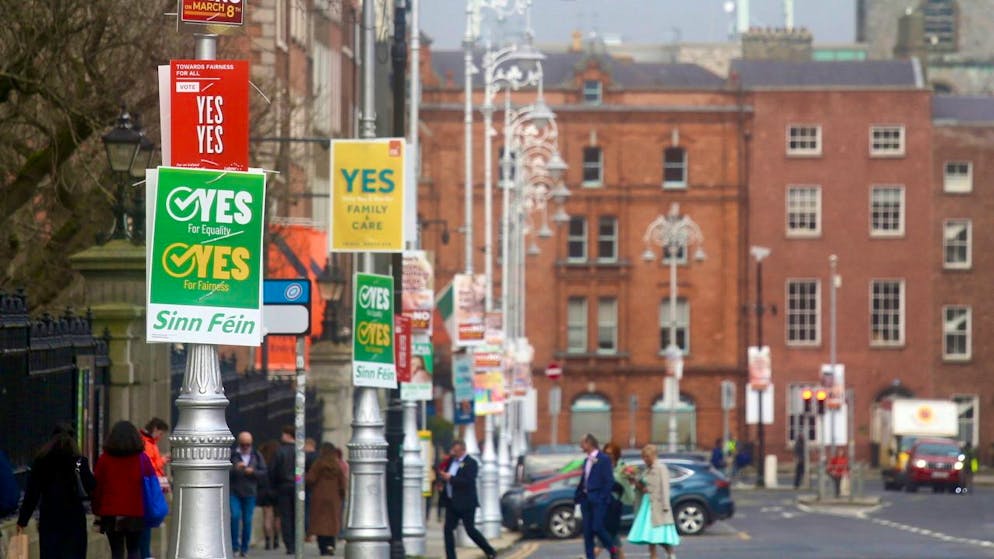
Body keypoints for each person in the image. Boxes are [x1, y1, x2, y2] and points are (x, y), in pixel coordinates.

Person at [15, 423, 97, 559]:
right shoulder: (78, 461)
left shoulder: (41, 461)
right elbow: (91, 487)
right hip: (74, 518)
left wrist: (22, 520)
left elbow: (32, 494)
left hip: (50, 518)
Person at [92, 421, 147, 559]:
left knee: (116, 551)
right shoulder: (142, 459)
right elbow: (150, 484)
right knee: (134, 549)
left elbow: (97, 487)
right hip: (135, 511)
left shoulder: (104, 459)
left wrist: (96, 511)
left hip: (111, 512)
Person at [439, 440, 496, 559]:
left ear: (463, 450)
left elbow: (468, 481)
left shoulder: (471, 463)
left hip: (466, 503)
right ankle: (451, 556)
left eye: (456, 451)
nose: (454, 453)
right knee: (448, 529)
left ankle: (489, 550)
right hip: (452, 502)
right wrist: (443, 479)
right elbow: (444, 472)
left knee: (470, 530)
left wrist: (451, 478)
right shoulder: (451, 461)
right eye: (453, 451)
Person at [627, 444, 680, 559]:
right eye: (643, 457)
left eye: (647, 456)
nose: (645, 459)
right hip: (647, 503)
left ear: (654, 455)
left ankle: (670, 552)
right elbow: (643, 487)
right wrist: (634, 481)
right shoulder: (647, 469)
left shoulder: (661, 468)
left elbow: (665, 487)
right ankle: (654, 555)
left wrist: (665, 506)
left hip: (657, 505)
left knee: (657, 534)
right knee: (649, 534)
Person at [573, 433, 618, 559]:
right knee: (587, 533)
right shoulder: (586, 460)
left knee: (597, 527)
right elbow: (585, 479)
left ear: (589, 443)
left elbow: (609, 481)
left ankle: (612, 549)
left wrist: (602, 497)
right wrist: (579, 496)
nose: (580, 446)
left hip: (598, 500)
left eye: (582, 443)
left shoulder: (603, 459)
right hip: (586, 500)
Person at [230, 431, 267, 557]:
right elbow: (224, 471)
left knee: (247, 520)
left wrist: (253, 472)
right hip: (234, 491)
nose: (245, 447)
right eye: (243, 444)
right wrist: (236, 468)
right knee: (234, 516)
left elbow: (263, 472)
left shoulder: (256, 455)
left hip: (250, 492)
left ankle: (244, 548)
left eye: (248, 444)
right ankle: (234, 546)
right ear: (239, 443)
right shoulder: (233, 455)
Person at [306, 443, 346, 556]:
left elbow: (310, 479)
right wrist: (341, 495)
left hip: (319, 497)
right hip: (334, 497)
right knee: (332, 522)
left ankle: (323, 547)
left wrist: (299, 477)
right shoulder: (337, 465)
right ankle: (330, 545)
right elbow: (342, 483)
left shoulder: (318, 464)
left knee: (320, 522)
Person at [139, 418, 170, 559]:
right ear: (156, 429)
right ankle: (145, 554)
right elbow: (149, 464)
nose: (160, 437)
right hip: (150, 487)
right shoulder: (147, 443)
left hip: (153, 485)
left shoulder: (150, 443)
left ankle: (146, 553)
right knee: (148, 519)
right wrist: (162, 460)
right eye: (161, 433)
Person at [596, 442, 633, 559]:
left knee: (612, 535)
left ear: (616, 454)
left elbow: (628, 483)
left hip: (616, 505)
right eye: (606, 453)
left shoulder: (622, 467)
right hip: (604, 504)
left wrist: (630, 476)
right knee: (609, 534)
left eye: (611, 453)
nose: (608, 456)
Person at [269, 425, 297, 554]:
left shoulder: (279, 451)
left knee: (285, 516)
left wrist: (273, 486)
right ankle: (296, 542)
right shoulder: (299, 451)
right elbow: (302, 469)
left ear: (288, 435)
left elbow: (273, 470)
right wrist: (298, 481)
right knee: (296, 515)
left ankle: (289, 545)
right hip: (296, 486)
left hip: (283, 486)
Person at [256, 440, 281, 550]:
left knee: (267, 516)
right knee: (277, 517)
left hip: (264, 491)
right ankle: (276, 540)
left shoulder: (262, 460)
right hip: (277, 490)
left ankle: (267, 541)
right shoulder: (277, 461)